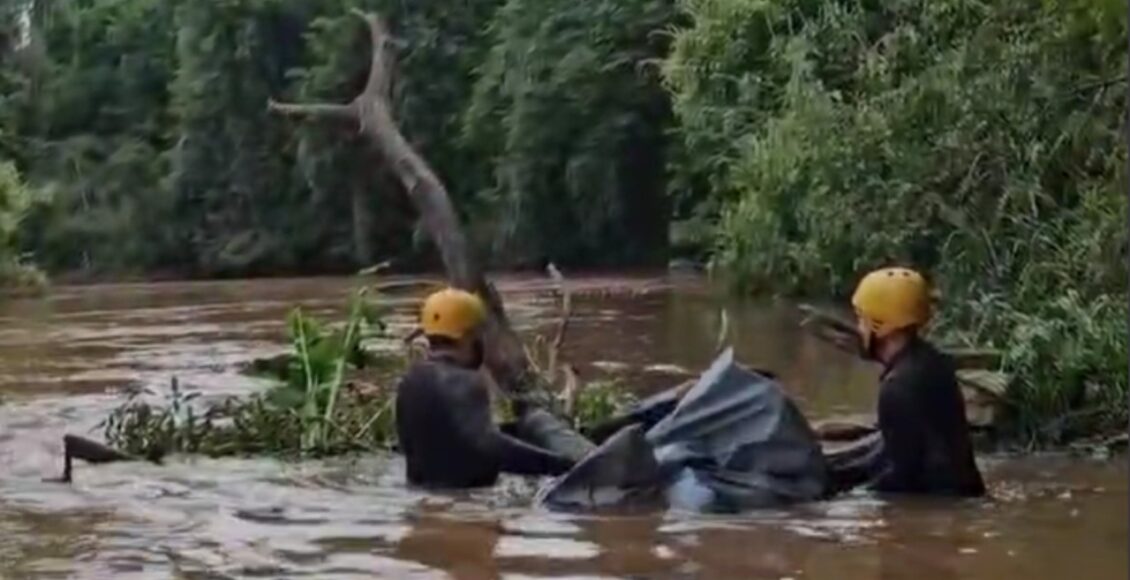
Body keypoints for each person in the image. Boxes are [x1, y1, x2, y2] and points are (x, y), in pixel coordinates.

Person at [394, 287, 575, 488]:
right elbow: (490, 447)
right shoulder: (466, 381)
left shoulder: (409, 381)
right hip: (468, 504)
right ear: (471, 336)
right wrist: (563, 467)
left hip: (421, 500)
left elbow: (432, 441)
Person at [849, 267, 985, 497]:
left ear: (881, 326)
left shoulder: (896, 388)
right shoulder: (932, 361)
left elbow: (903, 478)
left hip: (942, 508)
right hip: (968, 493)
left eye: (862, 320)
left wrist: (848, 500)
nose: (858, 329)